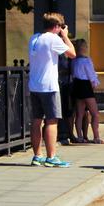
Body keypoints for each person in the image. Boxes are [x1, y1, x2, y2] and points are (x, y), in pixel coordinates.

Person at [28, 12, 77, 167]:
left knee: (36, 121)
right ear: (57, 26)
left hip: (34, 85)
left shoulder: (34, 38)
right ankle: (51, 157)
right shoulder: (53, 39)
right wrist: (65, 36)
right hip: (49, 86)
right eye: (60, 27)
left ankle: (37, 156)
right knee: (51, 121)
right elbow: (72, 54)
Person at [71, 38, 104, 144]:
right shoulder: (86, 60)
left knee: (79, 114)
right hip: (86, 86)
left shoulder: (74, 61)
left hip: (77, 85)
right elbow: (91, 75)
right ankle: (96, 137)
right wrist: (94, 84)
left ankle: (79, 136)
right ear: (84, 48)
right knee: (95, 113)